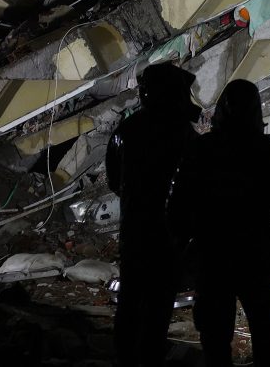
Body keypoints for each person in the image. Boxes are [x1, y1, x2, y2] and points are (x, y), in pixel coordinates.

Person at [169, 79, 270, 367]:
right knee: (264, 332)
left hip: (214, 255)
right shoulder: (269, 152)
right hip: (255, 255)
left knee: (216, 338)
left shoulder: (202, 150)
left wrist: (182, 248)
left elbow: (180, 205)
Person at [106, 62, 201, 367]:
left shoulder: (127, 130)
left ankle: (127, 356)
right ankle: (150, 354)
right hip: (170, 235)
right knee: (159, 303)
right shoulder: (185, 134)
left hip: (135, 229)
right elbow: (199, 186)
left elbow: (113, 179)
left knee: (132, 299)